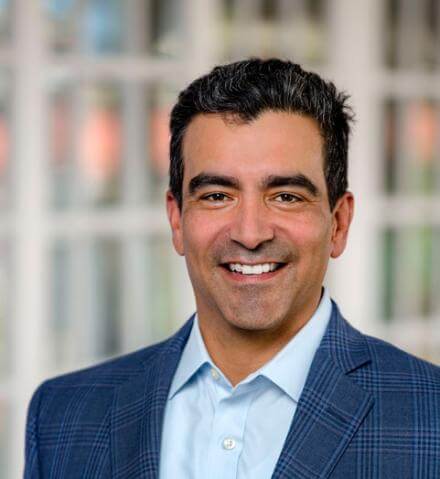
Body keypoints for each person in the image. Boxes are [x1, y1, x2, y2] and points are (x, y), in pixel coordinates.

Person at [24, 58, 440, 479]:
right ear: (177, 220)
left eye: (287, 196)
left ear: (338, 223)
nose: (250, 233)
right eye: (217, 196)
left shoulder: (431, 417)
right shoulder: (61, 417)